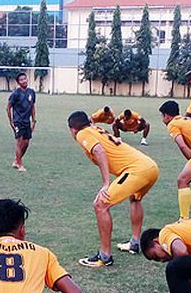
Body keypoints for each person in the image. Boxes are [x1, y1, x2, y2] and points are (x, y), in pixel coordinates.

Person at [68, 111, 159, 267]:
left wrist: (106, 183)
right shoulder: (94, 129)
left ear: (73, 129)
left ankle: (104, 256)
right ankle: (135, 243)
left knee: (100, 205)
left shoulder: (82, 133)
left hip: (137, 170)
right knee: (135, 199)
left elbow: (99, 151)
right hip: (150, 166)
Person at [6, 73, 36, 172]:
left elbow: (32, 106)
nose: (24, 81)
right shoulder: (15, 94)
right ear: (18, 82)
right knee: (19, 142)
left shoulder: (31, 92)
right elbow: (8, 107)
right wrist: (11, 122)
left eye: (25, 79)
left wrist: (33, 120)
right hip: (18, 121)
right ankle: (20, 164)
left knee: (26, 143)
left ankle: (16, 160)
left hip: (27, 121)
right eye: (21, 80)